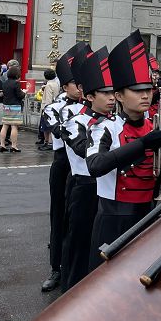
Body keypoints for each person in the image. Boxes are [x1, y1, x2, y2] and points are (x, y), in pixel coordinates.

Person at [86, 30, 161, 272]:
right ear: (119, 96)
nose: (146, 94)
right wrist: (144, 144)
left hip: (149, 217)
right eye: (137, 90)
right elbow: (95, 165)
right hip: (113, 220)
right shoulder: (104, 128)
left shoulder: (156, 127)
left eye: (148, 88)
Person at [39, 43, 86, 292]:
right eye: (76, 83)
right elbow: (55, 128)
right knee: (58, 216)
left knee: (78, 219)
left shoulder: (92, 105)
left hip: (85, 166)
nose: (81, 88)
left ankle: (76, 267)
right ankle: (56, 268)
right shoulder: (55, 107)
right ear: (65, 85)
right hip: (63, 164)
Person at [59, 45, 98, 291]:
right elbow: (88, 152)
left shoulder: (113, 120)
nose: (112, 96)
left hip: (105, 189)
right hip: (82, 184)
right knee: (77, 242)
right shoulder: (73, 120)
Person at [0, 66, 25, 152]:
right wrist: (24, 92)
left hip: (6, 106)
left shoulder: (5, 83)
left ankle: (2, 145)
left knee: (5, 125)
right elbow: (20, 95)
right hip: (15, 106)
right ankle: (13, 146)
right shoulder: (16, 83)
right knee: (14, 126)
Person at [37, 68, 60, 149]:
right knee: (49, 126)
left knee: (46, 127)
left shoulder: (48, 85)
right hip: (55, 106)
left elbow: (48, 99)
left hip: (48, 108)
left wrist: (45, 109)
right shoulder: (56, 84)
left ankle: (48, 142)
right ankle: (47, 142)